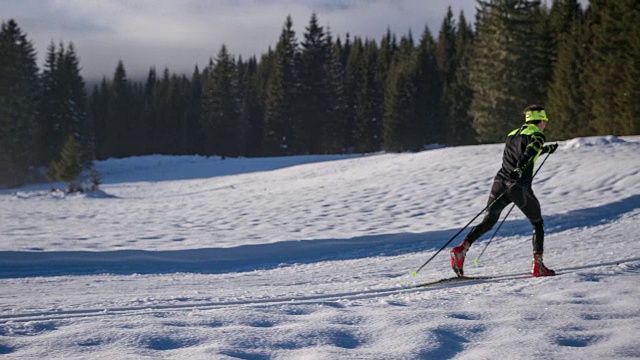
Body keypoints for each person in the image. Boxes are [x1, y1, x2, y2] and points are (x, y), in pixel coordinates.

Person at [450, 104, 558, 277]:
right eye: (545, 121)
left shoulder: (513, 134)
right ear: (542, 120)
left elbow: (522, 152)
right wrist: (520, 169)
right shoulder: (537, 135)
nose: (545, 124)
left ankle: (461, 249)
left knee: (489, 221)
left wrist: (546, 150)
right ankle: (538, 266)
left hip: (499, 182)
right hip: (518, 185)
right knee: (537, 222)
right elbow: (529, 152)